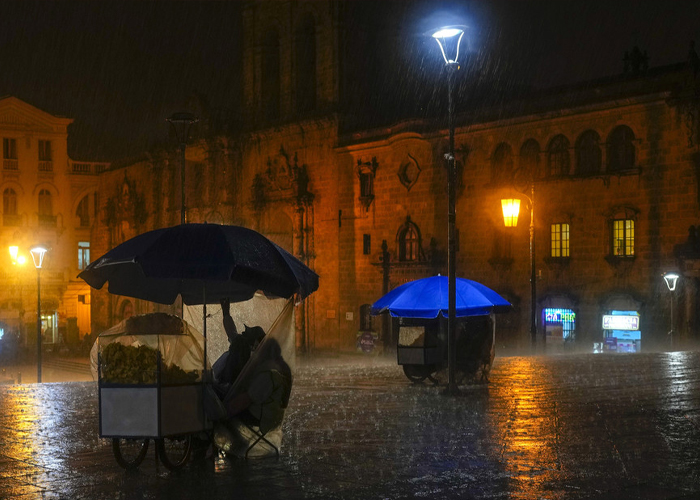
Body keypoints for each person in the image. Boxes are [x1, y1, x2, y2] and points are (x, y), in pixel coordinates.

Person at [212, 299, 266, 397]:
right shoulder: (245, 347)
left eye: (246, 333)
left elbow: (231, 332)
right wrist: (226, 314)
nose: (243, 333)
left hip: (228, 389)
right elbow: (231, 331)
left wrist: (226, 313)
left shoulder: (242, 346)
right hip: (228, 388)